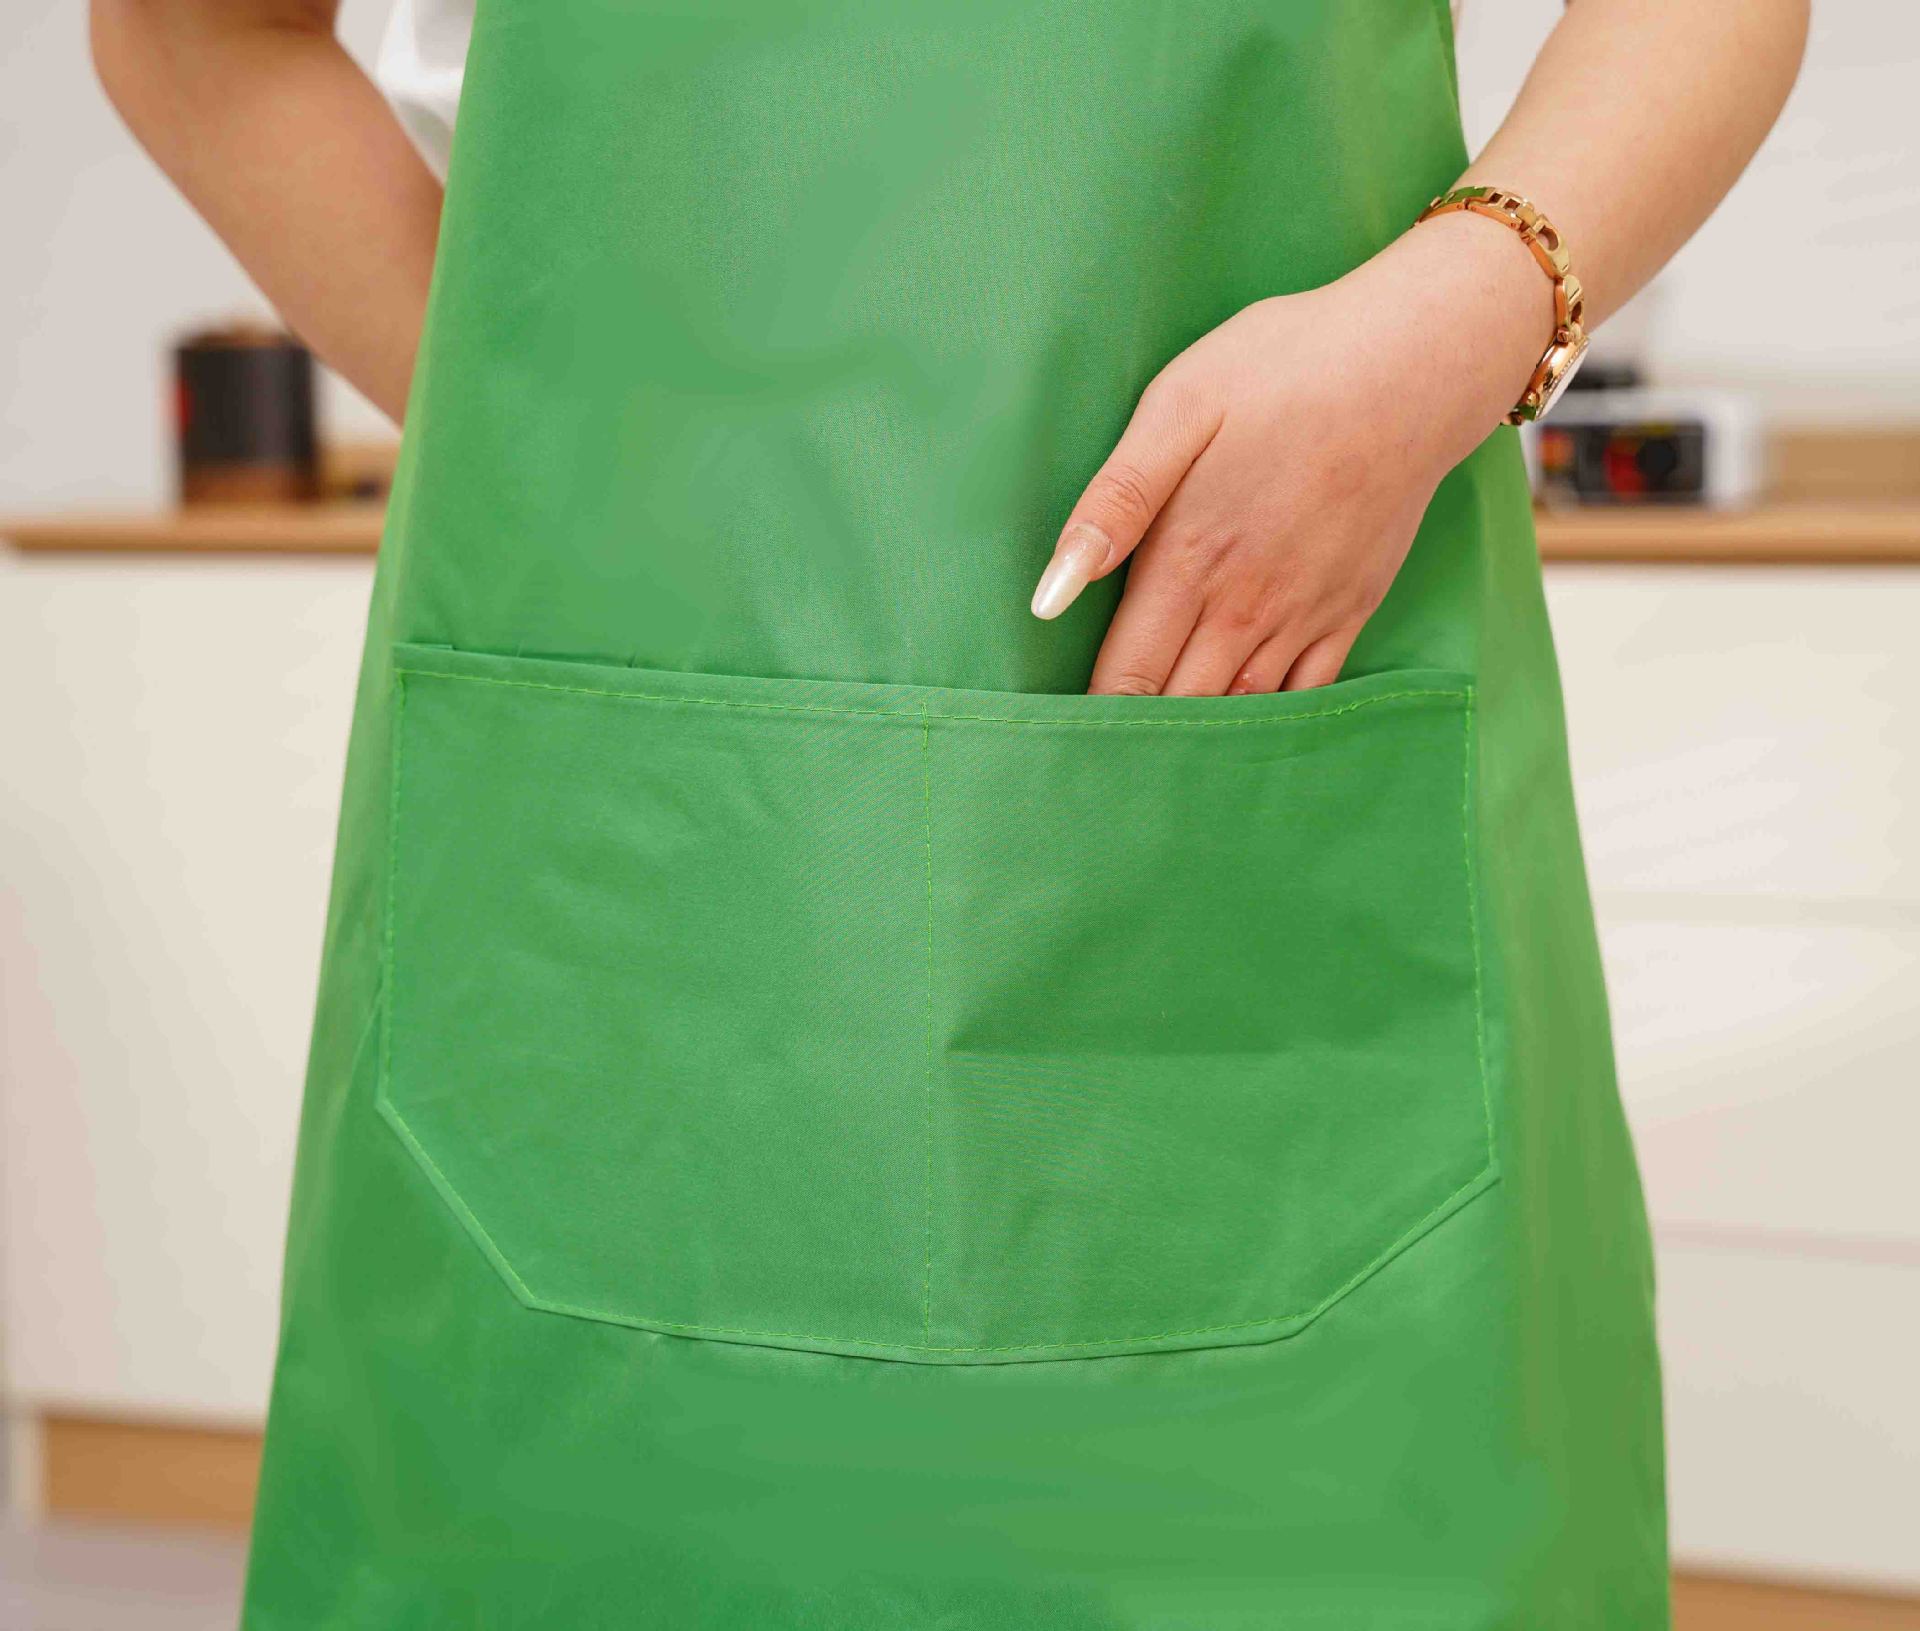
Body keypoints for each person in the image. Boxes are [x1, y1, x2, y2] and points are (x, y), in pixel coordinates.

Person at [93, 0, 1807, 1624]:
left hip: (1282, 723)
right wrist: (577, 468)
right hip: (624, 853)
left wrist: (1452, 324)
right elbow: (195, 38)